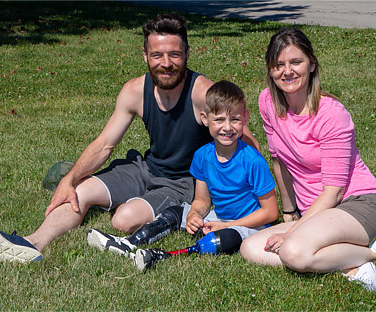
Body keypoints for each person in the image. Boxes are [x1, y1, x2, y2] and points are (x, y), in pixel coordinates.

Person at [0, 14, 259, 264]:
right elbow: (105, 143)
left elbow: (245, 139)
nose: (166, 63)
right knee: (78, 193)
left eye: (174, 54)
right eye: (157, 55)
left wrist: (246, 191)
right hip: (145, 168)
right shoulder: (134, 91)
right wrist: (70, 179)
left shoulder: (201, 93)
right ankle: (32, 243)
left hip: (182, 182)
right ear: (145, 56)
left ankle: (133, 206)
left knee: (123, 220)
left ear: (187, 54)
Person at [239, 28, 376, 296]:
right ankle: (355, 259)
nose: (287, 71)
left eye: (296, 62)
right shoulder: (267, 102)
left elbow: (333, 192)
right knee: (252, 248)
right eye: (278, 65)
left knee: (293, 251)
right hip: (316, 214)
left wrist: (293, 232)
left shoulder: (331, 113)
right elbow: (278, 159)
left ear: (312, 64)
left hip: (357, 205)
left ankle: (375, 255)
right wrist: (290, 210)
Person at [87, 81, 279, 271]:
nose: (227, 127)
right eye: (219, 120)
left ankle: (160, 256)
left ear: (245, 118)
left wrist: (225, 226)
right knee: (176, 213)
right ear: (205, 119)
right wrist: (195, 214)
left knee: (223, 239)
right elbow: (202, 200)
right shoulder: (202, 156)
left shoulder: (253, 161)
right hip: (219, 217)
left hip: (249, 225)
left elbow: (270, 213)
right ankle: (128, 242)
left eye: (235, 119)